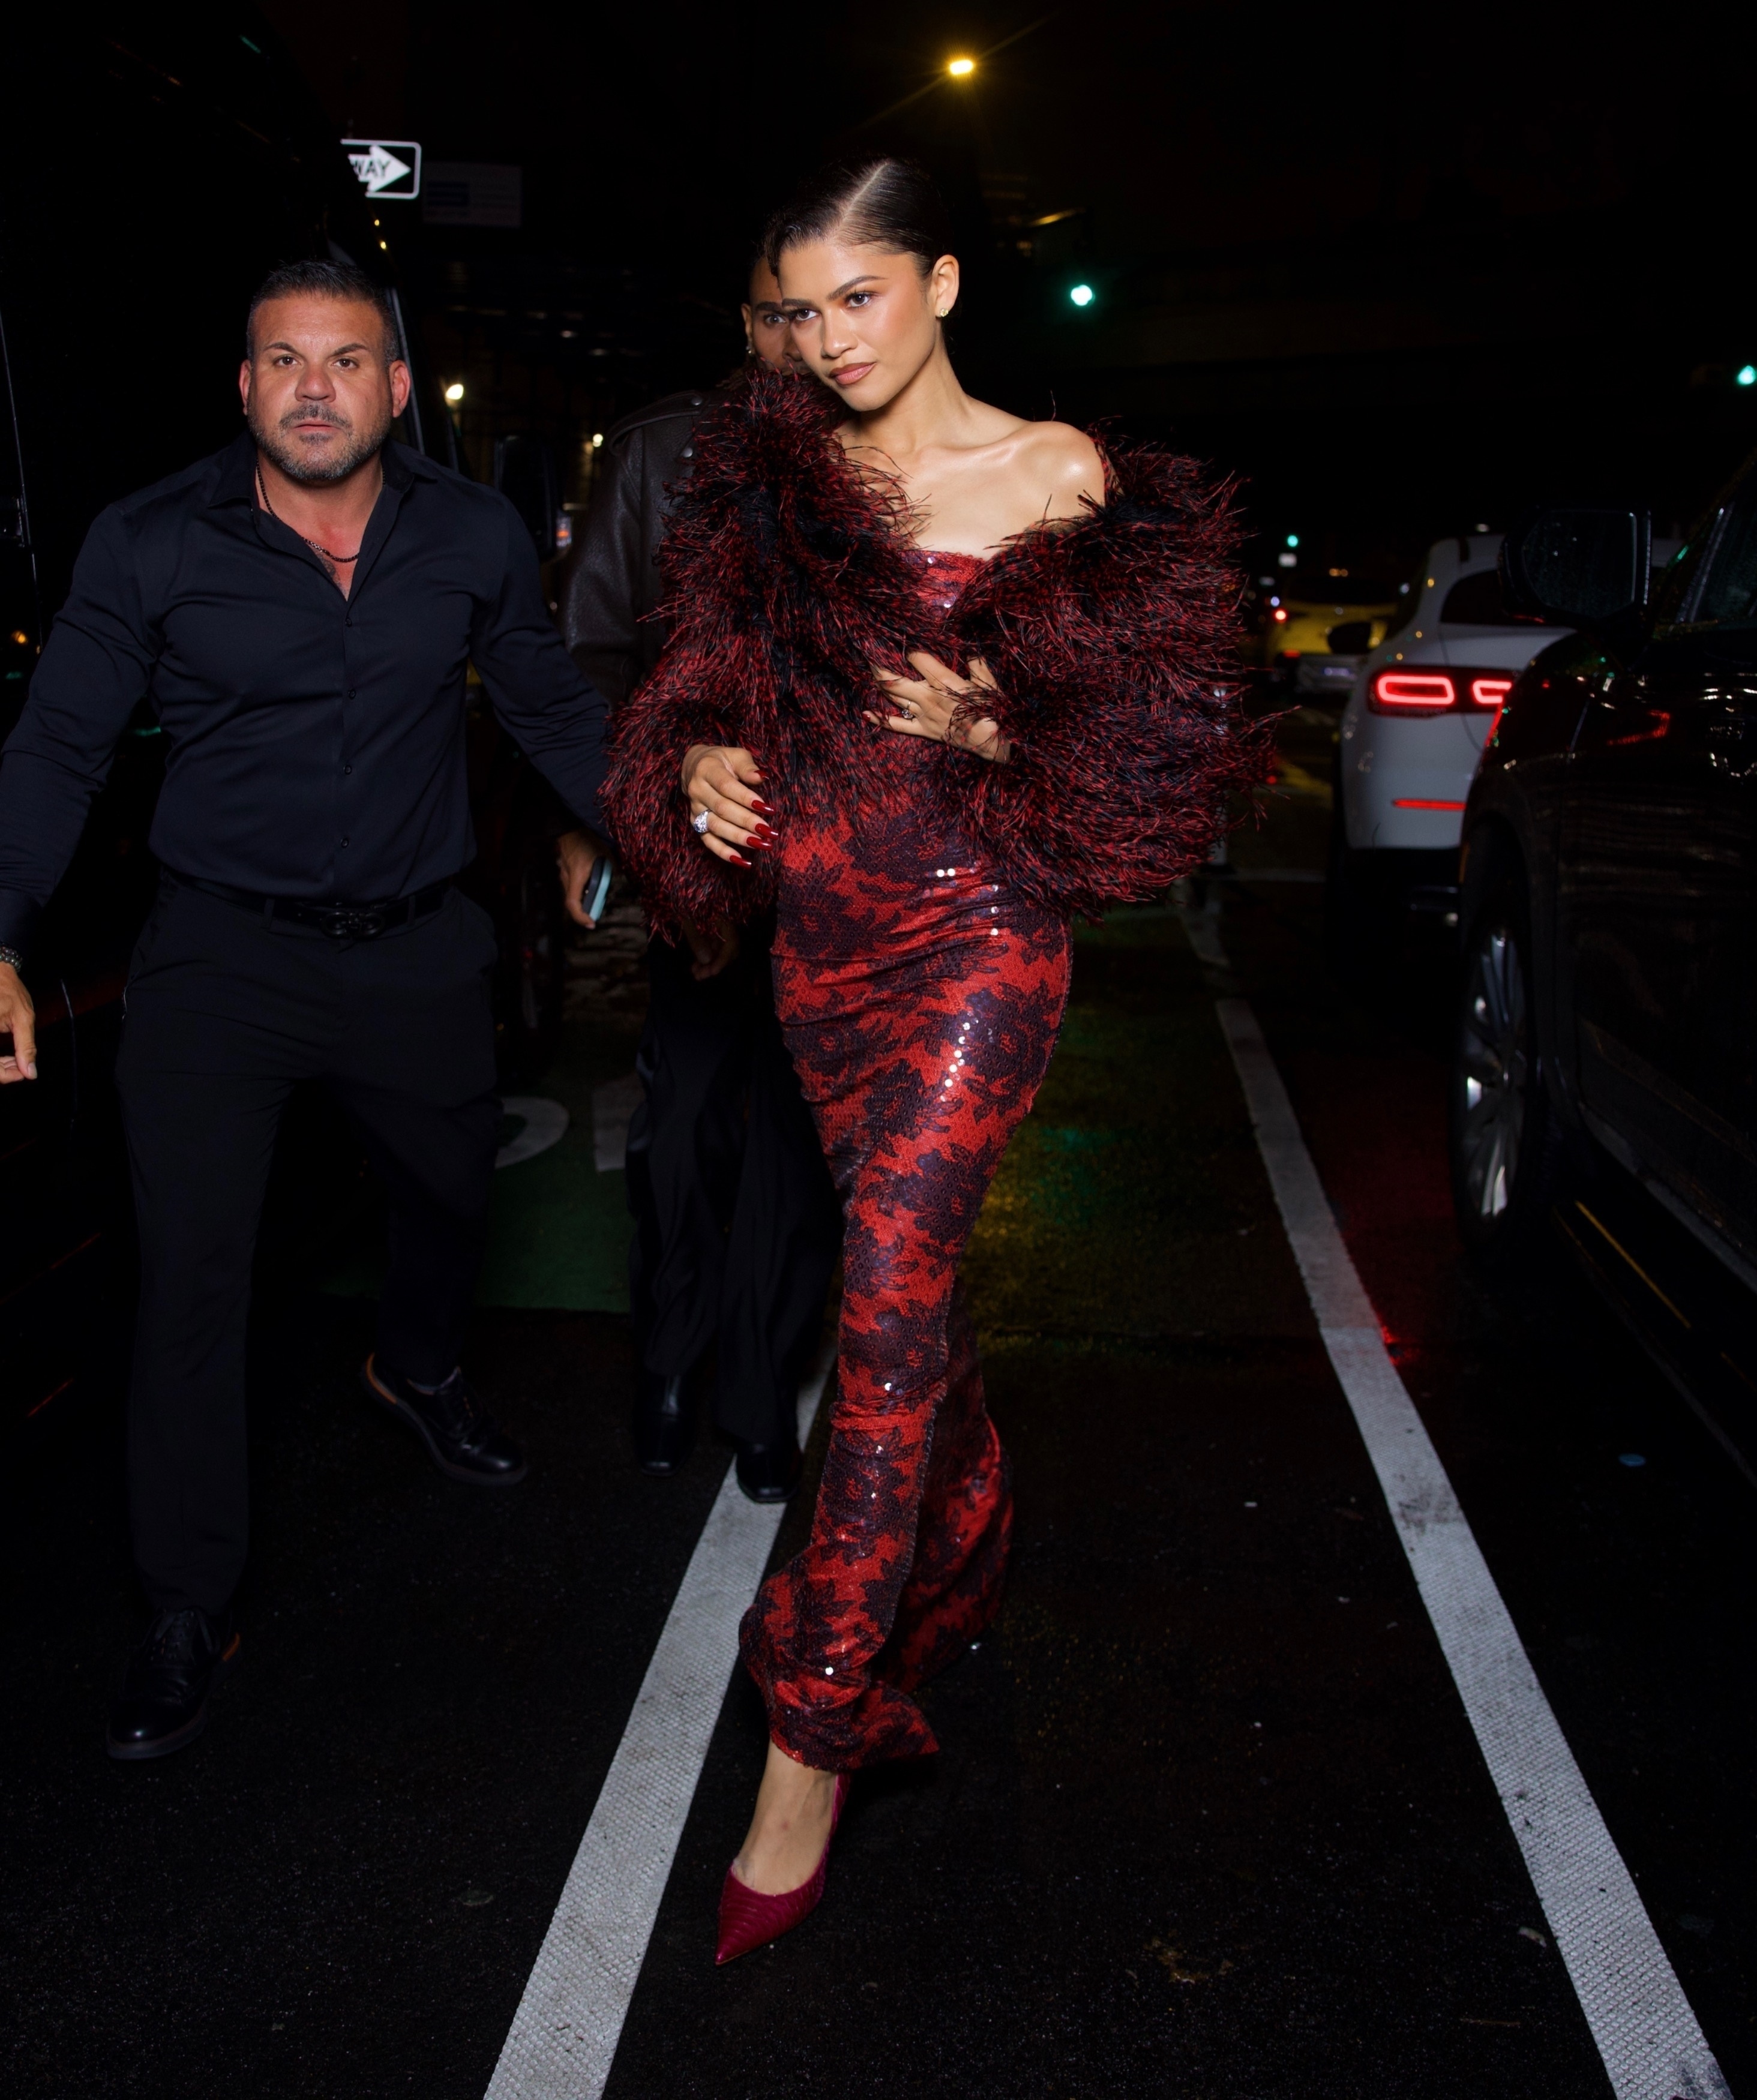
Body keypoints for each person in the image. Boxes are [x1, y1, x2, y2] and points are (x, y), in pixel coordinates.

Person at [602, 157, 1268, 1961]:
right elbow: (695, 690)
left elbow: (1162, 753)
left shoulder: (1057, 473)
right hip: (821, 943)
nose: (831, 340)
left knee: (887, 1285)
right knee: (910, 1302)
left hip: (984, 930)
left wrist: (1001, 725)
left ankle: (811, 1739)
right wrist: (694, 765)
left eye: (862, 295)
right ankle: (965, 1513)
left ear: (946, 282)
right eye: (801, 309)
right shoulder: (773, 487)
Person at [0, 259, 610, 1760]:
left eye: (344, 360)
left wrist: (665, 834)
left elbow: (547, 704)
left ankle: (418, 1362)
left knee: (454, 1186)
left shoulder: (471, 532)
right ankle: (185, 1604)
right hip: (223, 958)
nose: (314, 387)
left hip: (414, 946)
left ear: (395, 390)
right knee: (189, 1279)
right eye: (284, 360)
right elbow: (59, 745)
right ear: (245, 386)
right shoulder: (151, 539)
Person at [555, 257, 839, 1502]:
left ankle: (761, 1392)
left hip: (837, 869)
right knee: (679, 1139)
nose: (803, 342)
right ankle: (669, 1363)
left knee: (796, 1145)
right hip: (699, 855)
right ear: (746, 320)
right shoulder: (662, 449)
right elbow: (591, 657)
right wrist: (615, 822)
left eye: (828, 312)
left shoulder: (888, 452)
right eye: (781, 314)